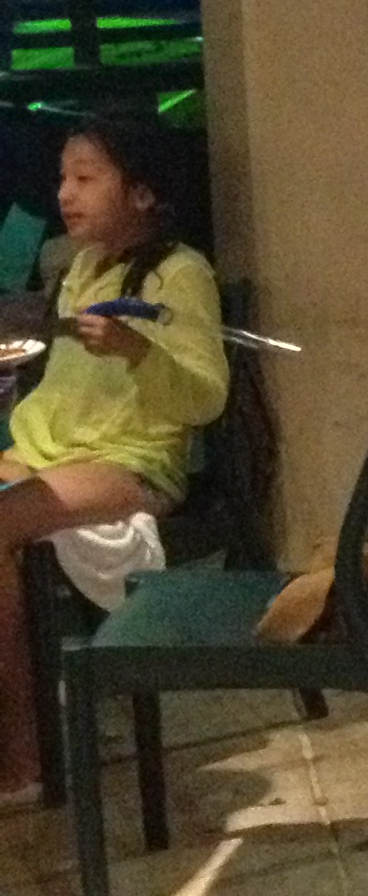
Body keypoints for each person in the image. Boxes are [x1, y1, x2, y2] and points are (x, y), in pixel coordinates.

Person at [0, 116, 229, 802]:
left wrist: (137, 349)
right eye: (62, 178)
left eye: (85, 177)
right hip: (48, 452)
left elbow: (205, 397)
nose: (64, 193)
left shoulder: (179, 273)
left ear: (142, 193)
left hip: (131, 463)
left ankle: (25, 753)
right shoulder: (82, 267)